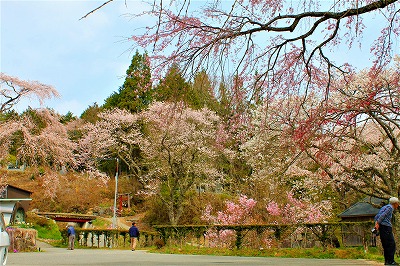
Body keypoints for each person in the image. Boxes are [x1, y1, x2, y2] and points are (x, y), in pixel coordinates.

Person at [374, 197, 400, 265]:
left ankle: (387, 261)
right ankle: (391, 261)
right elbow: (383, 215)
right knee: (391, 244)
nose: (398, 205)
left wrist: (377, 223)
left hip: (382, 227)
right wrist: (378, 223)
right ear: (395, 203)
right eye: (398, 203)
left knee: (386, 244)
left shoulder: (384, 207)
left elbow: (377, 216)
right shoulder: (390, 208)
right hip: (386, 227)